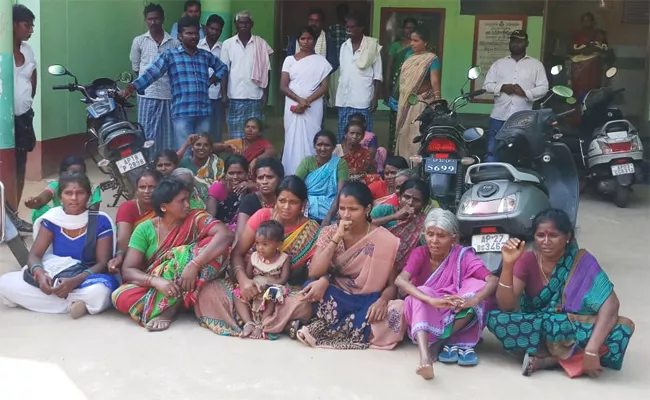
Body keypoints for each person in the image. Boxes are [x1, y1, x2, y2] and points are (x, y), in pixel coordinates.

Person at [488, 208, 634, 377]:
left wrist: (592, 349)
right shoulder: (527, 260)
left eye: (553, 235)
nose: (546, 241)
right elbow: (506, 306)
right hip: (537, 327)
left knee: (618, 330)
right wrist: (508, 264)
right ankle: (566, 357)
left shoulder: (581, 262)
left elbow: (611, 304)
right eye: (540, 235)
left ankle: (549, 360)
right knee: (496, 319)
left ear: (568, 237)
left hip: (569, 327)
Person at [195, 176, 321, 337]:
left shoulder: (311, 229)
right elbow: (237, 253)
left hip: (282, 292)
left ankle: (264, 322)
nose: (286, 207)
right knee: (209, 291)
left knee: (304, 304)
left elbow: (315, 271)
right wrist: (244, 281)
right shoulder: (263, 216)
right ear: (276, 200)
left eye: (293, 202)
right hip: (250, 285)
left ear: (303, 204)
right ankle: (269, 324)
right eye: (282, 201)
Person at [294, 181, 405, 349]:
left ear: (367, 209)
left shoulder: (385, 239)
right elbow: (314, 272)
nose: (346, 215)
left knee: (399, 308)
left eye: (353, 209)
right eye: (342, 208)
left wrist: (383, 300)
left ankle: (322, 326)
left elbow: (392, 285)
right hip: (337, 293)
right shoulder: (330, 232)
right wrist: (337, 237)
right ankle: (354, 328)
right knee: (311, 288)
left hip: (367, 301)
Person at [112, 179, 233, 331]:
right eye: (181, 201)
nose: (188, 205)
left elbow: (226, 235)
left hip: (191, 278)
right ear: (164, 207)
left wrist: (194, 264)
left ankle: (171, 307)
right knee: (119, 296)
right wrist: (155, 281)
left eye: (187, 200)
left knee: (204, 248)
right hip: (159, 285)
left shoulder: (195, 218)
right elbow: (128, 270)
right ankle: (181, 301)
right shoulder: (145, 229)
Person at [396, 209, 498, 380]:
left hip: (453, 311)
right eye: (430, 234)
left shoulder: (462, 255)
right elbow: (400, 280)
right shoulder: (420, 253)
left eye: (441, 236)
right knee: (420, 292)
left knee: (479, 287)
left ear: (454, 239)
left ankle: (440, 342)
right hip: (424, 314)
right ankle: (425, 356)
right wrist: (431, 299)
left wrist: (473, 300)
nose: (434, 241)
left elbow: (492, 280)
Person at [0, 174, 117, 319]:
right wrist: (40, 274)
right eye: (68, 193)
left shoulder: (100, 221)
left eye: (80, 193)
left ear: (88, 197)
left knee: (100, 293)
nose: (74, 198)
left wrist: (76, 280)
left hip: (87, 277)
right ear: (60, 197)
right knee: (5, 283)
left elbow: (103, 263)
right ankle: (74, 303)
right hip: (56, 276)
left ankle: (67, 300)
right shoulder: (53, 219)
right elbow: (35, 255)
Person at [120, 16, 228, 150]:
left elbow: (223, 68)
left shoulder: (205, 55)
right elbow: (151, 74)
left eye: (195, 33)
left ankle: (202, 172)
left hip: (203, 111)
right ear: (180, 36)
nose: (193, 36)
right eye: (189, 33)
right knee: (185, 151)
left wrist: (210, 81)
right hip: (182, 112)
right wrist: (131, 88)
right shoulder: (170, 56)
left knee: (203, 150)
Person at [483, 30, 548, 162]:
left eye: (519, 41)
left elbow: (544, 88)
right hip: (499, 118)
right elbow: (486, 85)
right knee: (493, 153)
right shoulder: (499, 64)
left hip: (523, 119)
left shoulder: (536, 65)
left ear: (526, 43)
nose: (515, 44)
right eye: (513, 41)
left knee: (521, 156)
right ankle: (492, 180)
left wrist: (526, 93)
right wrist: (501, 87)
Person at [281, 26, 333, 175]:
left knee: (312, 136)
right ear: (298, 41)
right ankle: (290, 173)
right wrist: (299, 100)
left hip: (313, 106)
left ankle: (312, 173)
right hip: (292, 104)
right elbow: (283, 86)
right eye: (302, 38)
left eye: (309, 38)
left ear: (315, 40)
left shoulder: (321, 61)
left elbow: (324, 87)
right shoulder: (289, 60)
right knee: (291, 138)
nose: (306, 42)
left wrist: (306, 101)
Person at [130, 3, 179, 159]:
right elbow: (136, 68)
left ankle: (165, 164)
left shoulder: (174, 43)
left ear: (162, 19)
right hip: (147, 95)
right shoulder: (139, 41)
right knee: (146, 132)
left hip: (167, 94)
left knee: (166, 132)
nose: (153, 22)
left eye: (156, 19)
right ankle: (147, 164)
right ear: (146, 20)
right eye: (150, 19)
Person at [234, 220, 292, 339]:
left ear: (278, 244)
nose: (260, 248)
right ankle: (248, 323)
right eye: (257, 243)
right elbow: (249, 276)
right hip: (257, 286)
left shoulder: (284, 258)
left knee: (272, 293)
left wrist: (268, 285)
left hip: (274, 285)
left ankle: (262, 324)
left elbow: (283, 279)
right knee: (237, 293)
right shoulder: (254, 257)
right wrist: (252, 285)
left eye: (265, 244)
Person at [221, 11, 274, 139]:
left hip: (255, 97)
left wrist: (265, 95)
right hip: (234, 97)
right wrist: (223, 95)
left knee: (255, 137)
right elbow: (224, 71)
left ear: (252, 24)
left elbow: (267, 71)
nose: (244, 25)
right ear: (236, 24)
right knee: (236, 136)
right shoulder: (228, 44)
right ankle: (237, 159)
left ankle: (253, 159)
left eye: (247, 23)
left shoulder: (261, 43)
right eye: (241, 22)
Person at [9, 4, 38, 233]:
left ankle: (14, 217)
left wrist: (26, 101)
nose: (31, 30)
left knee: (19, 169)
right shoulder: (2, 51)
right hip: (3, 122)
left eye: (32, 26)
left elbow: (32, 77)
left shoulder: (28, 51)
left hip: (23, 119)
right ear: (13, 25)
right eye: (27, 25)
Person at [395, 26, 442, 160]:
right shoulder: (408, 56)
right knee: (404, 133)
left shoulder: (432, 58)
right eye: (411, 40)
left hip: (421, 101)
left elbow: (435, 80)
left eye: (416, 41)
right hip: (405, 101)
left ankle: (416, 164)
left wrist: (438, 101)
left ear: (425, 42)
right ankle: (404, 161)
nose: (412, 43)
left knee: (416, 133)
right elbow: (404, 80)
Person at [336, 11, 383, 142]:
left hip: (363, 99)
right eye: (347, 27)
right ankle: (344, 161)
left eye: (352, 27)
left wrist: (375, 98)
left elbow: (378, 75)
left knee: (363, 137)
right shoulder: (344, 46)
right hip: (344, 99)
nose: (349, 30)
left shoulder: (372, 46)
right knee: (344, 135)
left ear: (361, 28)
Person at [108, 170, 161, 274]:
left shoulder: (165, 206)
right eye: (142, 187)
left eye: (151, 187)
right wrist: (119, 256)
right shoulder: (127, 207)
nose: (146, 191)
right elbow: (123, 237)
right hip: (131, 254)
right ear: (136, 190)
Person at [371, 178, 430, 270]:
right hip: (373, 263)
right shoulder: (384, 210)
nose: (410, 203)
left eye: (416, 200)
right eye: (406, 197)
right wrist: (394, 216)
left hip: (405, 269)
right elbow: (364, 227)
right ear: (399, 197)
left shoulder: (423, 222)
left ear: (424, 205)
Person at [24, 155, 102, 223]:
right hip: (59, 220)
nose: (77, 177)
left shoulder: (93, 188)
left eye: (80, 173)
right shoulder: (56, 185)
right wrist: (34, 202)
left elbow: (93, 214)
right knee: (39, 210)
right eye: (72, 173)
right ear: (62, 173)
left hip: (82, 221)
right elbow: (42, 199)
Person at [295, 130, 349, 225]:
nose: (323, 148)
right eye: (319, 145)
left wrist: (328, 216)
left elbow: (341, 192)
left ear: (333, 147)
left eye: (327, 145)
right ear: (314, 146)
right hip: (307, 209)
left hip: (332, 208)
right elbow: (294, 185)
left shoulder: (340, 164)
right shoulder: (307, 162)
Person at [385, 18, 417, 152]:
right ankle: (393, 151)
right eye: (407, 27)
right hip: (397, 87)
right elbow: (390, 66)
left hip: (413, 88)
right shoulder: (395, 46)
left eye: (412, 28)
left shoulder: (417, 47)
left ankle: (407, 151)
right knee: (395, 121)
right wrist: (386, 87)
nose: (409, 31)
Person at [235, 157, 284, 241]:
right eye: (260, 178)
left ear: (279, 178)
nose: (264, 182)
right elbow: (240, 235)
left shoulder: (285, 200)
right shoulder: (249, 201)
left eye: (269, 177)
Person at [569, 13, 611, 101]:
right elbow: (569, 49)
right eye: (584, 21)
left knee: (592, 92)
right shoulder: (576, 34)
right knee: (577, 92)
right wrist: (581, 50)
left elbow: (606, 50)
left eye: (588, 20)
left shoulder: (598, 34)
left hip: (593, 67)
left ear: (593, 22)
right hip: (578, 67)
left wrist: (594, 48)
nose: (586, 23)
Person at [198, 14, 226, 142]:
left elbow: (225, 71)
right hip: (199, 96)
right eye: (212, 28)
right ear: (206, 28)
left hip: (216, 96)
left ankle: (215, 159)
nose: (214, 32)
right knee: (201, 130)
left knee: (216, 131)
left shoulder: (224, 48)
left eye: (218, 30)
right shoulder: (197, 46)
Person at [286, 8, 339, 73]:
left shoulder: (328, 39)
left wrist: (318, 74)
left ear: (322, 23)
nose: (313, 23)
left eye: (317, 21)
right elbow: (289, 59)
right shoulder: (297, 38)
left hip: (320, 79)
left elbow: (333, 64)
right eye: (311, 20)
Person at [177, 133, 224, 202]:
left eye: (206, 145)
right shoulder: (184, 162)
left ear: (211, 149)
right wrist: (186, 144)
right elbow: (171, 161)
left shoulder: (216, 163)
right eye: (198, 145)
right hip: (187, 201)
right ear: (192, 148)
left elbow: (220, 186)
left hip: (214, 201)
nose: (201, 148)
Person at [207, 155, 250, 230]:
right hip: (220, 230)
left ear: (247, 173)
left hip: (245, 229)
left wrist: (253, 186)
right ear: (225, 174)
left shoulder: (250, 188)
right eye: (231, 173)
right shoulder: (217, 188)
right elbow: (210, 220)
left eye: (240, 173)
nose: (235, 177)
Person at [326, 3, 350, 108]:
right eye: (340, 12)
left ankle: (344, 105)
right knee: (334, 86)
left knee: (347, 85)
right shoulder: (332, 28)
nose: (342, 14)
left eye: (344, 12)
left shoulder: (351, 28)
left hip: (349, 62)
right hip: (335, 61)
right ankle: (334, 106)